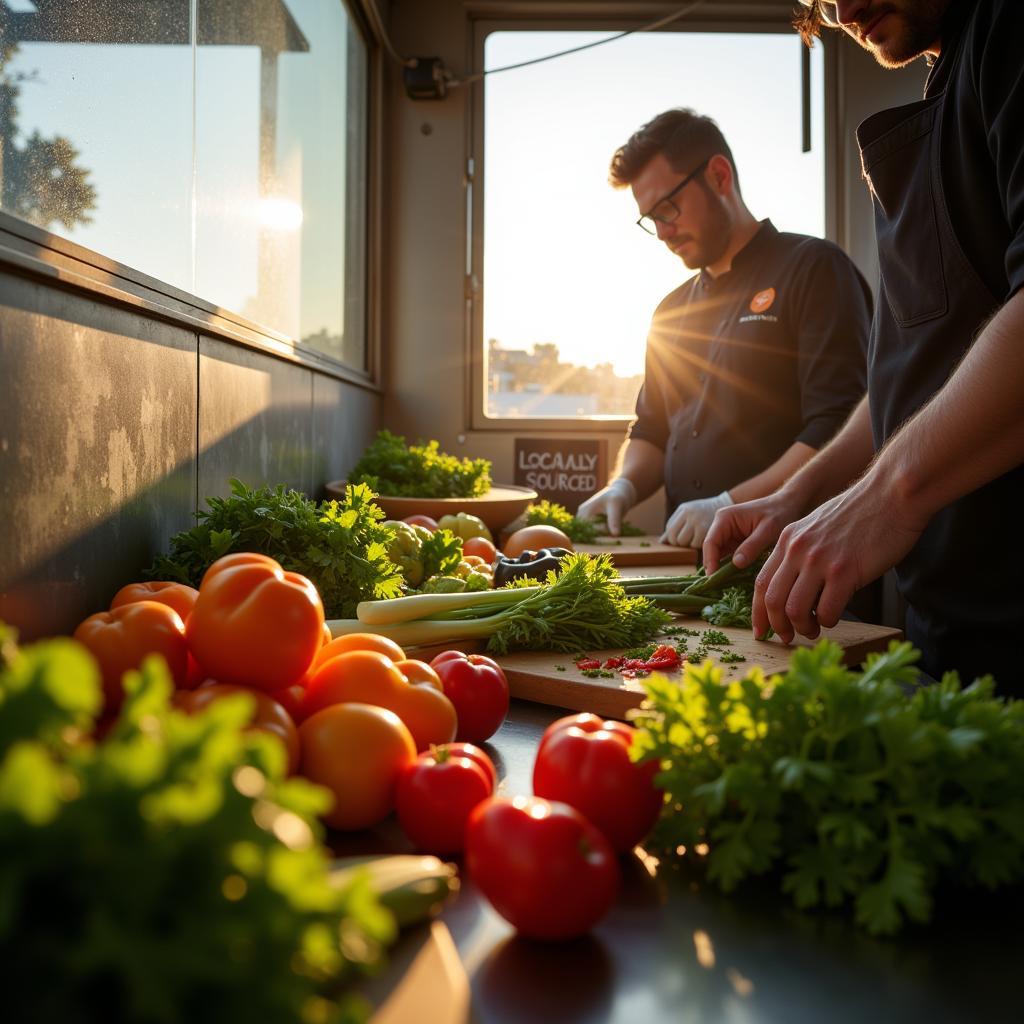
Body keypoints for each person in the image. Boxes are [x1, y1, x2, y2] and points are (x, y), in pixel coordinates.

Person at [704, 0, 1024, 692]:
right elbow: (908, 382)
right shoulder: (943, 86)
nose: (842, 10)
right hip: (949, 622)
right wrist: (797, 497)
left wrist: (884, 496)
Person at [577, 109, 872, 554]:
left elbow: (840, 427)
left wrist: (731, 502)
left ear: (718, 175)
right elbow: (652, 429)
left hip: (793, 559)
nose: (661, 232)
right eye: (649, 219)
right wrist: (623, 486)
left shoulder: (814, 269)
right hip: (687, 561)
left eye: (667, 209)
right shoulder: (668, 311)